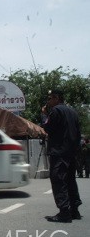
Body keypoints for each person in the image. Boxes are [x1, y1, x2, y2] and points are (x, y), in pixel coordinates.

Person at [41, 89, 82, 223]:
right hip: (71, 152)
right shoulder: (73, 112)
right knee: (70, 180)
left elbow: (47, 128)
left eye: (50, 98)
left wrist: (44, 115)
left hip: (59, 152)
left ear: (56, 98)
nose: (48, 101)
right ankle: (74, 210)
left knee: (59, 180)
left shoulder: (56, 111)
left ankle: (64, 212)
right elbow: (78, 134)